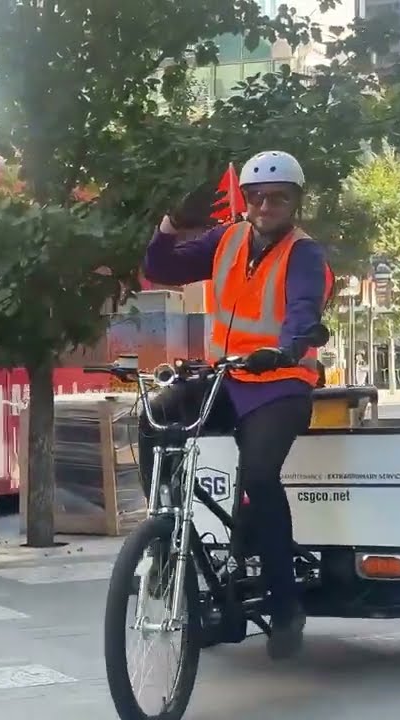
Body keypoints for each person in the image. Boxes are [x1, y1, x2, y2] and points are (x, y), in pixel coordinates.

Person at [140, 150, 332, 661]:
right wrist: (173, 223)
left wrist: (289, 346)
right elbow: (159, 267)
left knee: (259, 478)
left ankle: (285, 605)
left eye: (278, 197)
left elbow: (303, 308)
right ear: (245, 198)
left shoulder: (305, 253)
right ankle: (166, 536)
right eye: (256, 196)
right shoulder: (225, 237)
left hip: (280, 382)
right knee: (152, 415)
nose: (266, 205)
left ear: (295, 202)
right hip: (224, 377)